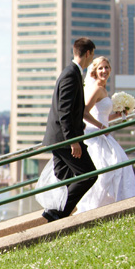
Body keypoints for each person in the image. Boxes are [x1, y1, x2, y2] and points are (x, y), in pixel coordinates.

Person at [39, 37, 98, 222]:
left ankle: (55, 212)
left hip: (59, 138)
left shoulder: (71, 73)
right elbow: (64, 111)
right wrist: (73, 141)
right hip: (64, 139)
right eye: (92, 55)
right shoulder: (71, 74)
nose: (91, 59)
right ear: (87, 53)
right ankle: (58, 213)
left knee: (65, 178)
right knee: (88, 174)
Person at [71, 56, 135, 213]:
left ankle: (114, 203)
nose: (104, 71)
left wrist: (119, 115)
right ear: (94, 71)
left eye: (106, 67)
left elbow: (101, 115)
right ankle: (97, 207)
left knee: (118, 166)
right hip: (96, 135)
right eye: (100, 68)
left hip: (103, 134)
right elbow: (84, 113)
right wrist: (101, 127)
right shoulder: (96, 89)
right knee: (107, 169)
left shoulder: (103, 89)